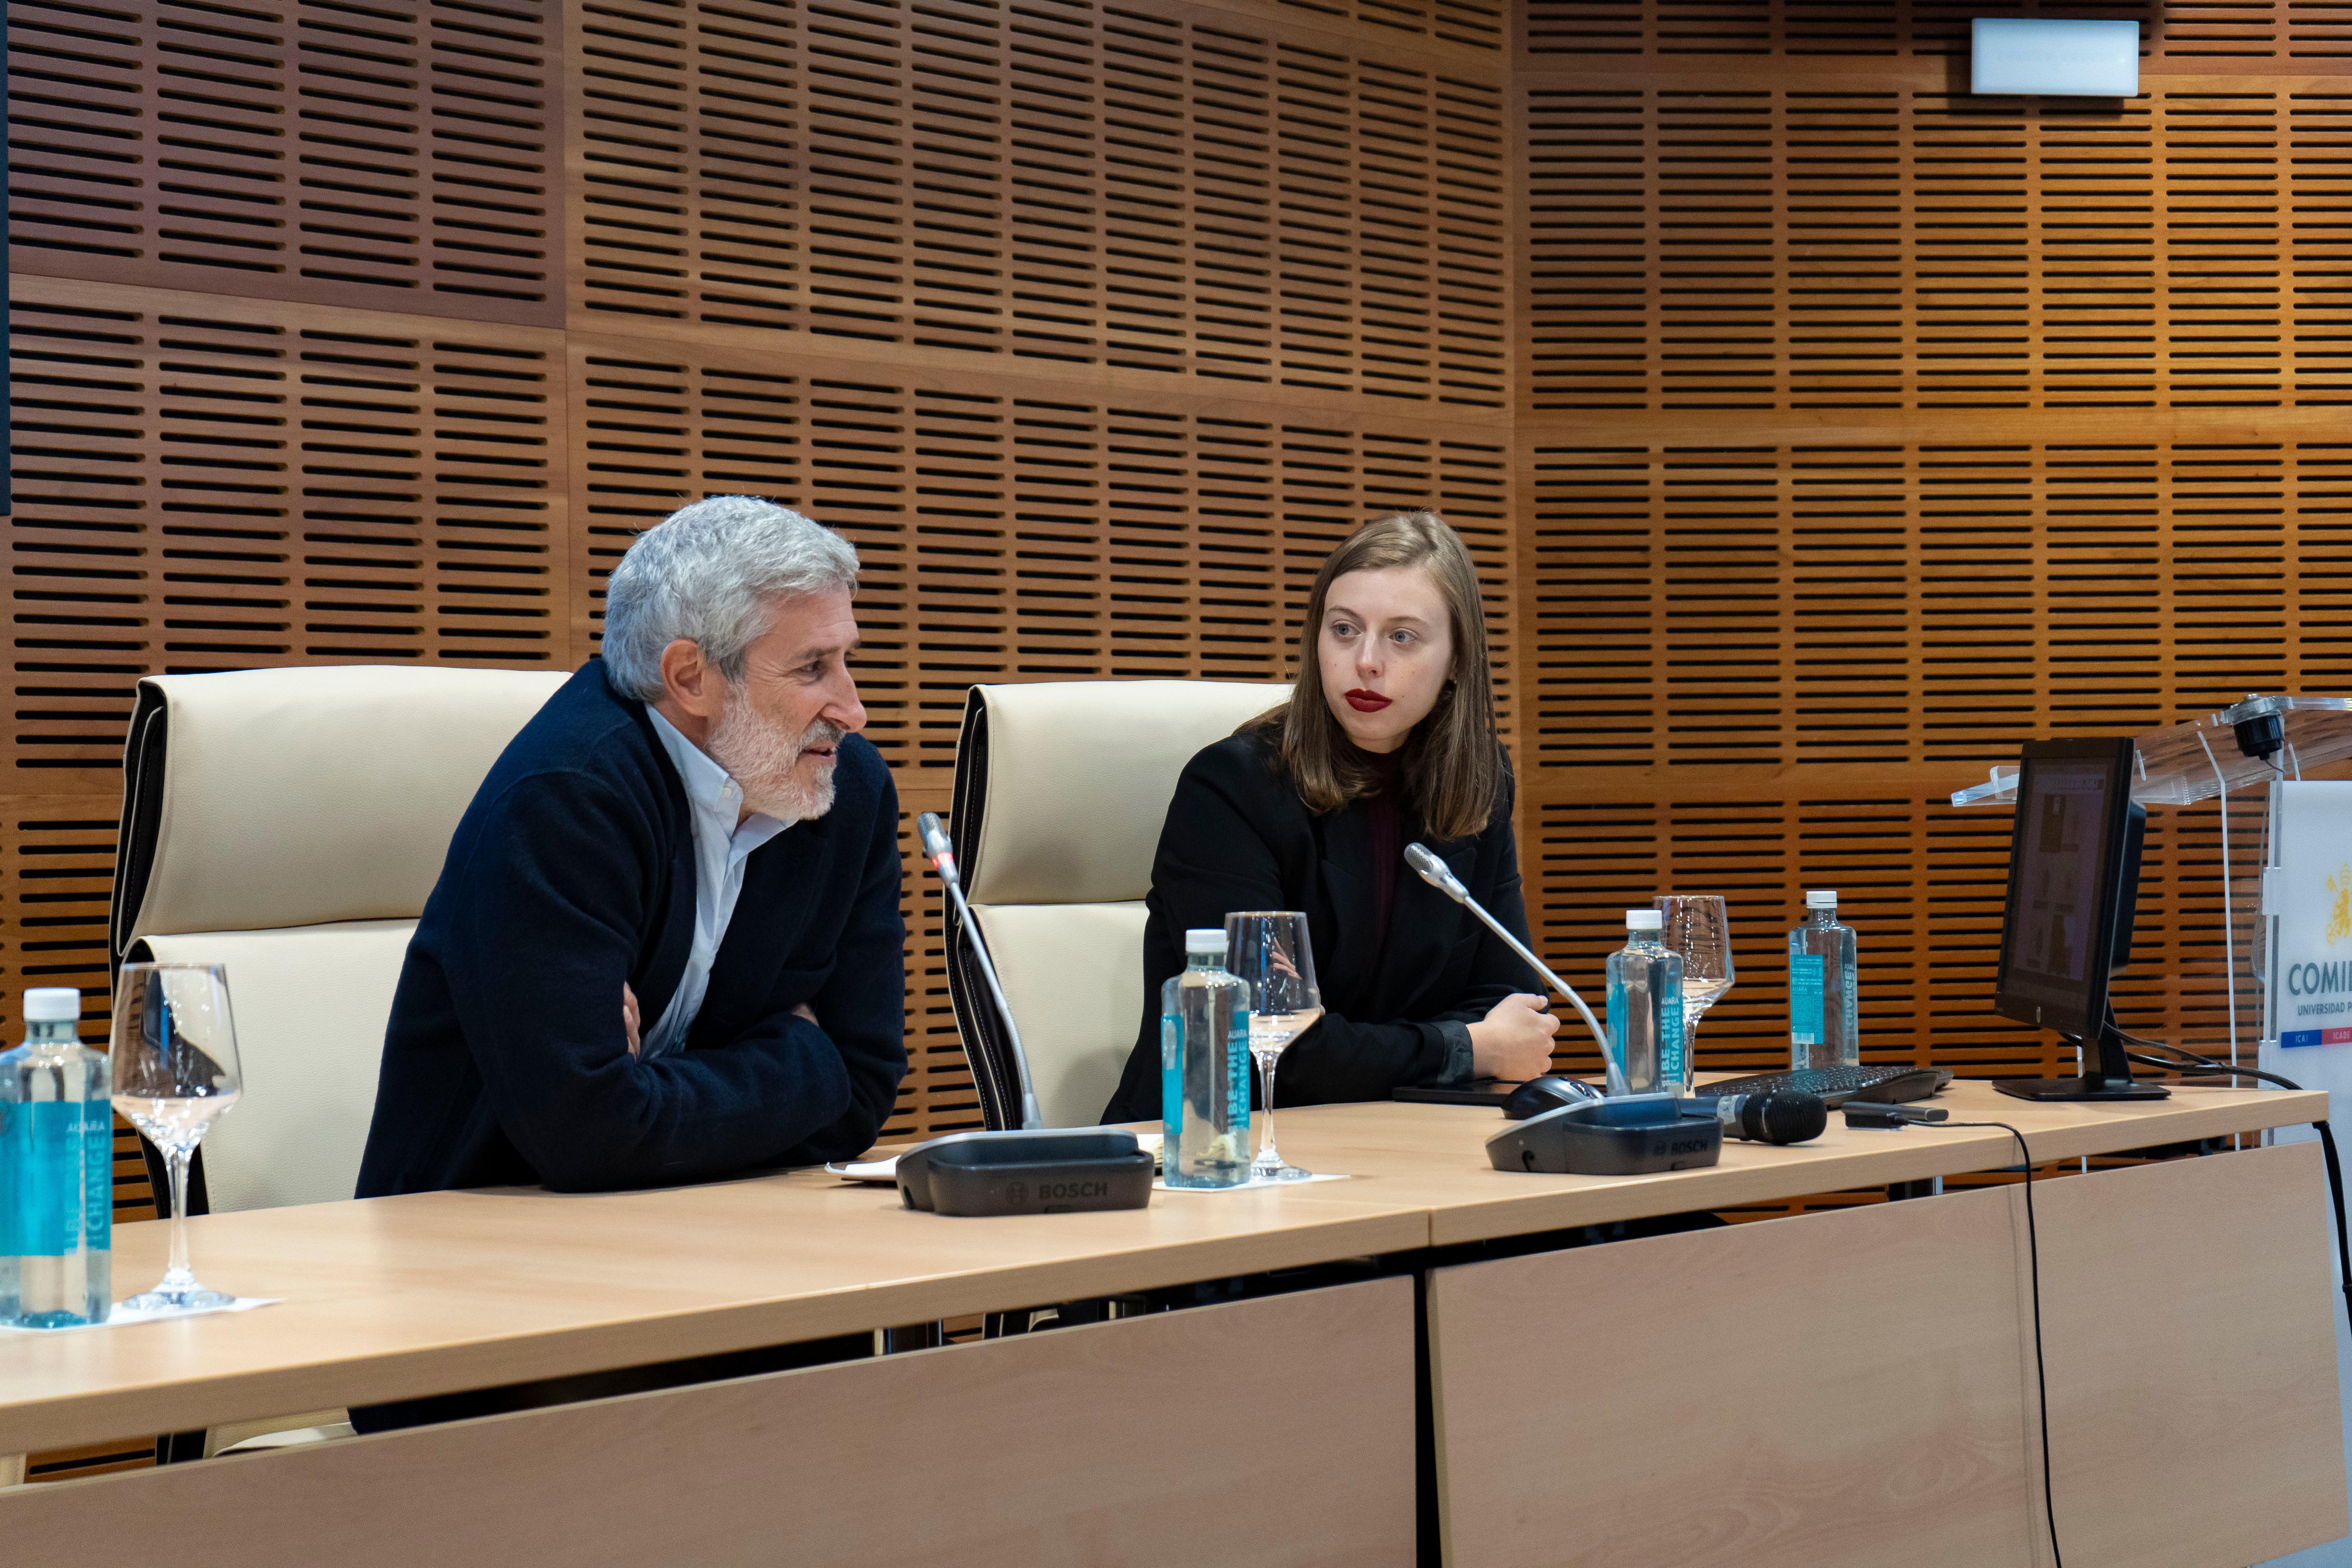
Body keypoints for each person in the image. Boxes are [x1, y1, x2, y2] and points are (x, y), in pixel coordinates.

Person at [356, 495, 907, 1200]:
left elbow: (862, 1084)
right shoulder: (567, 797)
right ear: (690, 678)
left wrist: (647, 1090)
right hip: (481, 1239)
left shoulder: (845, 791)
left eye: (844, 661)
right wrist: (805, 1055)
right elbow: (584, 1132)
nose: (852, 709)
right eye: (811, 670)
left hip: (714, 1218)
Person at [1102, 511, 1557, 1123]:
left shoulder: (1478, 782)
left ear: (1457, 661)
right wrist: (1467, 1048)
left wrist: (1446, 1045)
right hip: (1218, 1146)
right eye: (1344, 630)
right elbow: (1273, 1045)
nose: (1367, 661)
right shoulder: (1232, 789)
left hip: (1402, 1133)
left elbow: (1509, 1003)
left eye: (1402, 637)